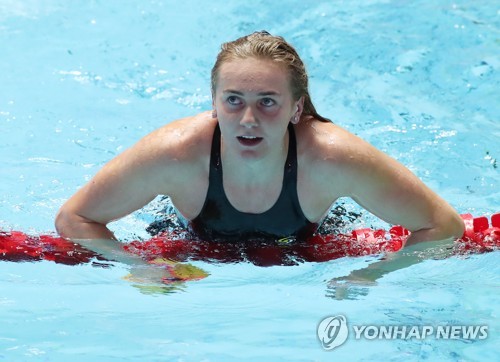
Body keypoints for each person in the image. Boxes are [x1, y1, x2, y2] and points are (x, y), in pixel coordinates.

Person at [55, 31, 464, 282]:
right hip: (186, 235)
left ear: (296, 109)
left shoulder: (334, 159)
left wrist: (372, 273)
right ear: (214, 104)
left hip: (314, 237)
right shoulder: (175, 154)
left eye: (268, 101)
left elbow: (444, 226)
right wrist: (137, 265)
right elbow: (74, 218)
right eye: (233, 100)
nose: (248, 120)